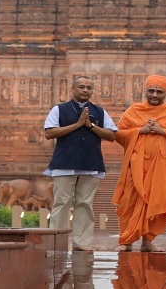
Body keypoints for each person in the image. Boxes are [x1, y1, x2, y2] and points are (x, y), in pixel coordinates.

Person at [113, 75, 166, 252]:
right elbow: (119, 134)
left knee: (156, 201)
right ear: (145, 91)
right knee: (130, 202)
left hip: (160, 167)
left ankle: (148, 241)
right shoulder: (133, 111)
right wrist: (139, 131)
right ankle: (127, 240)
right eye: (151, 91)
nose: (155, 95)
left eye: (159, 92)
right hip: (134, 166)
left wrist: (163, 131)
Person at [43, 75, 117, 252]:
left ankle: (82, 242)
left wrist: (91, 126)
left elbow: (112, 135)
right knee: (62, 202)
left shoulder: (100, 111)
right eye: (82, 87)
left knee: (85, 203)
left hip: (91, 163)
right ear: (73, 89)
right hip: (64, 163)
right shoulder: (59, 110)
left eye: (89, 88)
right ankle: (56, 241)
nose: (85, 90)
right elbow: (49, 133)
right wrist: (77, 125)